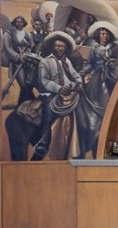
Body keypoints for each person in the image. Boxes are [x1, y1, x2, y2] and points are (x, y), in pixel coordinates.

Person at [31, 31, 83, 160]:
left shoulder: (67, 62)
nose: (60, 49)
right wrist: (59, 88)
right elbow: (44, 81)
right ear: (52, 47)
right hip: (51, 94)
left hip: (67, 93)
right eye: (57, 46)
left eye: (62, 46)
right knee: (48, 114)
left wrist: (78, 83)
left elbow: (75, 75)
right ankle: (43, 143)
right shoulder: (45, 62)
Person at [2, 16, 36, 104]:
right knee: (24, 85)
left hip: (28, 63)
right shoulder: (9, 34)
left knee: (29, 84)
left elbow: (32, 46)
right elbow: (7, 48)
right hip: (16, 63)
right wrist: (17, 56)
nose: (19, 23)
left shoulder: (28, 34)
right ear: (14, 23)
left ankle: (23, 104)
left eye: (21, 22)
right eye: (17, 22)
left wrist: (28, 54)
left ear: (24, 23)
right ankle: (32, 102)